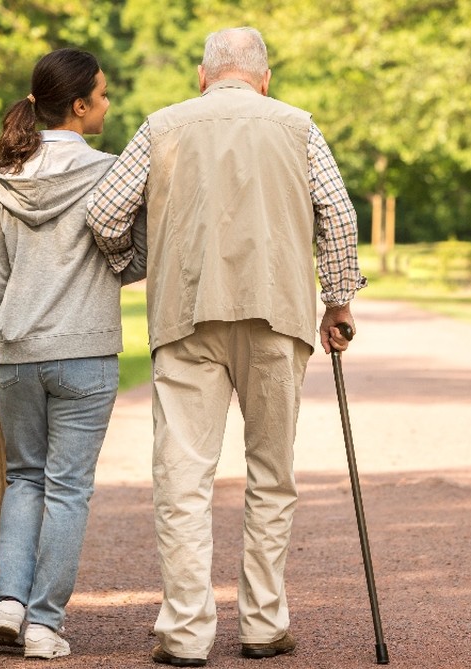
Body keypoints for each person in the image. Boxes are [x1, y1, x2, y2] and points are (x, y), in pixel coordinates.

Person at [86, 26, 365, 667]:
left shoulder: (162, 126)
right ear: (264, 79)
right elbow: (340, 216)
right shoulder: (297, 126)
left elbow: (104, 213)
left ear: (203, 77)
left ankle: (185, 634)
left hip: (186, 317)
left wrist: (137, 261)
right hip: (278, 315)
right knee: (272, 475)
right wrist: (339, 300)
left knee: (183, 479)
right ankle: (264, 626)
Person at [0, 47, 145, 660]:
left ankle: (9, 603)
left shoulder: (4, 178)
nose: (108, 102)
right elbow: (136, 258)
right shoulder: (110, 173)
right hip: (86, 354)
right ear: (79, 106)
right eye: (103, 92)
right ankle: (44, 625)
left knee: (24, 480)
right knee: (67, 489)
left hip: (14, 353)